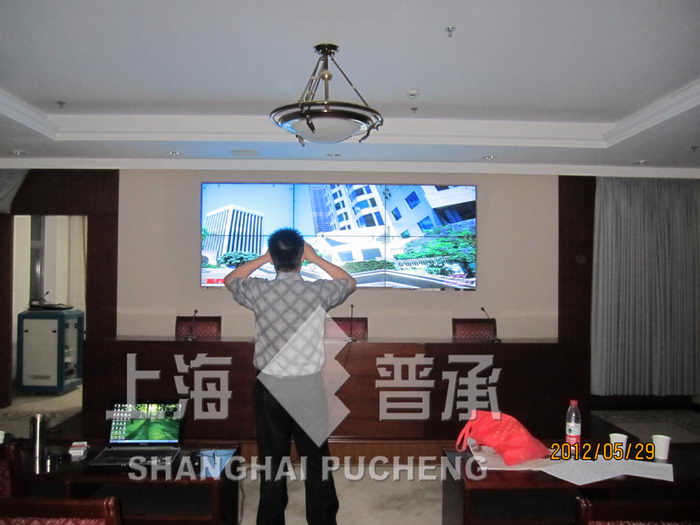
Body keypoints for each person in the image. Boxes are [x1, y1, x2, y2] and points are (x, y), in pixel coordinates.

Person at [224, 228, 356, 525]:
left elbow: (230, 279)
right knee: (316, 460)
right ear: (300, 257)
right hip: (308, 388)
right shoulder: (317, 292)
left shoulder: (258, 291)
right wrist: (315, 258)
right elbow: (349, 282)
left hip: (269, 388)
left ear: (273, 258)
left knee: (272, 461)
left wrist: (264, 258)